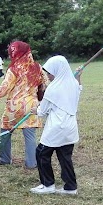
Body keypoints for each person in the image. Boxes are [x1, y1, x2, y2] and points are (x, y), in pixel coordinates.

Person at [0, 41, 45, 168]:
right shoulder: (38, 67)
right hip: (32, 105)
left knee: (5, 130)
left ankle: (5, 159)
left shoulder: (13, 70)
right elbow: (43, 85)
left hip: (15, 107)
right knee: (29, 134)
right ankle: (31, 163)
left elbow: (4, 89)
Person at [30, 55, 82, 195]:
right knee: (65, 156)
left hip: (56, 127)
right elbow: (78, 89)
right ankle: (71, 187)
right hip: (70, 128)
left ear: (58, 71)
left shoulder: (53, 89)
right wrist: (78, 77)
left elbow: (42, 111)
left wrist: (35, 109)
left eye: (50, 72)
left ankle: (48, 185)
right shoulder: (74, 84)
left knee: (41, 153)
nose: (48, 76)